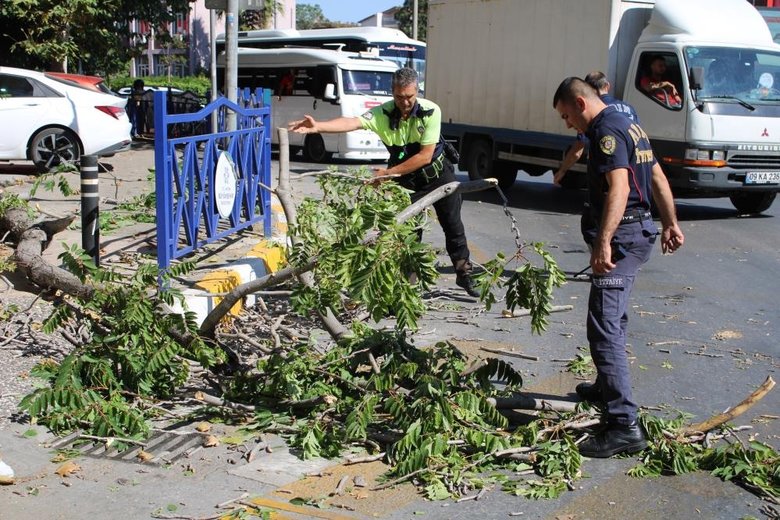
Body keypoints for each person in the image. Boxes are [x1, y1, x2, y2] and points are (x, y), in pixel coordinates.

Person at [552, 77, 684, 458]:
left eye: (566, 116)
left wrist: (603, 241)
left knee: (604, 326)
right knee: (615, 318)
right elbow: (656, 176)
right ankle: (605, 385)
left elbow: (621, 189)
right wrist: (671, 222)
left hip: (624, 237)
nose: (567, 125)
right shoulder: (629, 122)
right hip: (638, 232)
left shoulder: (606, 130)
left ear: (580, 103)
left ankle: (624, 424)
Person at [288, 67, 479, 298]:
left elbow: (425, 156)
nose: (405, 102)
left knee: (453, 225)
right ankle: (405, 289)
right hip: (407, 181)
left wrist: (388, 173)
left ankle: (464, 273)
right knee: (406, 234)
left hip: (439, 175)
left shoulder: (431, 111)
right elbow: (352, 122)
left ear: (416, 91)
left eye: (409, 96)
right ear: (392, 93)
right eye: (399, 97)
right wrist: (319, 127)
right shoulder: (383, 113)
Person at [553, 71, 640, 187]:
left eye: (566, 117)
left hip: (608, 177)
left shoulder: (594, 114)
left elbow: (578, 150)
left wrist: (562, 170)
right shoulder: (629, 108)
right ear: (607, 86)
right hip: (634, 175)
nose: (568, 125)